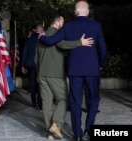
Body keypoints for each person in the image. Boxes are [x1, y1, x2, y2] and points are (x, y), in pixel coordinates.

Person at [38, 1, 107, 141]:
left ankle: (77, 134)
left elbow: (52, 41)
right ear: (87, 11)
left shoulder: (68, 26)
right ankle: (88, 130)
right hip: (92, 70)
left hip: (74, 70)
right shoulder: (96, 26)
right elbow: (103, 49)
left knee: (75, 102)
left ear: (75, 12)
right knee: (93, 100)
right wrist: (98, 64)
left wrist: (41, 36)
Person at [35, 14, 94, 140]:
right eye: (63, 21)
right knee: (63, 100)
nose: (64, 24)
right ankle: (56, 124)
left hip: (42, 74)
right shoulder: (57, 35)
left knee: (46, 102)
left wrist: (38, 74)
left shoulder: (41, 37)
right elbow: (64, 45)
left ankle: (50, 132)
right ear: (57, 22)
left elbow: (36, 59)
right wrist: (80, 42)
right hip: (55, 74)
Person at [21, 24, 44, 110]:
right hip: (41, 64)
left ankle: (33, 101)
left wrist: (23, 65)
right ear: (42, 30)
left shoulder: (29, 40)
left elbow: (24, 53)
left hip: (31, 64)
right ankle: (40, 103)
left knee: (32, 83)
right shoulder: (43, 40)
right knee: (41, 84)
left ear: (35, 30)